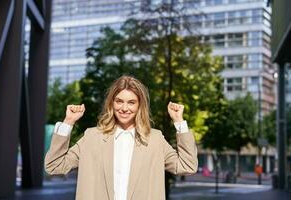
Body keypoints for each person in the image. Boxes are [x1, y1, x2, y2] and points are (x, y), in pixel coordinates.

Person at [45, 75, 198, 200]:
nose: (124, 108)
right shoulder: (92, 137)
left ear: (139, 106)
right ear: (112, 103)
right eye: (119, 101)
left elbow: (187, 166)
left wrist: (179, 121)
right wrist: (68, 122)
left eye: (131, 102)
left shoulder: (155, 139)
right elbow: (54, 166)